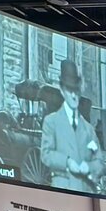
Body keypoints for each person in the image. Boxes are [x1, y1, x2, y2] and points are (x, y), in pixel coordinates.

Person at [40, 58, 100, 192]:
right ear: (62, 90)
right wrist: (67, 162)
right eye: (69, 90)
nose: (73, 95)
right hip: (62, 191)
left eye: (76, 90)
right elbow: (46, 154)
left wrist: (89, 167)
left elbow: (100, 162)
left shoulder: (88, 129)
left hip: (86, 192)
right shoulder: (51, 122)